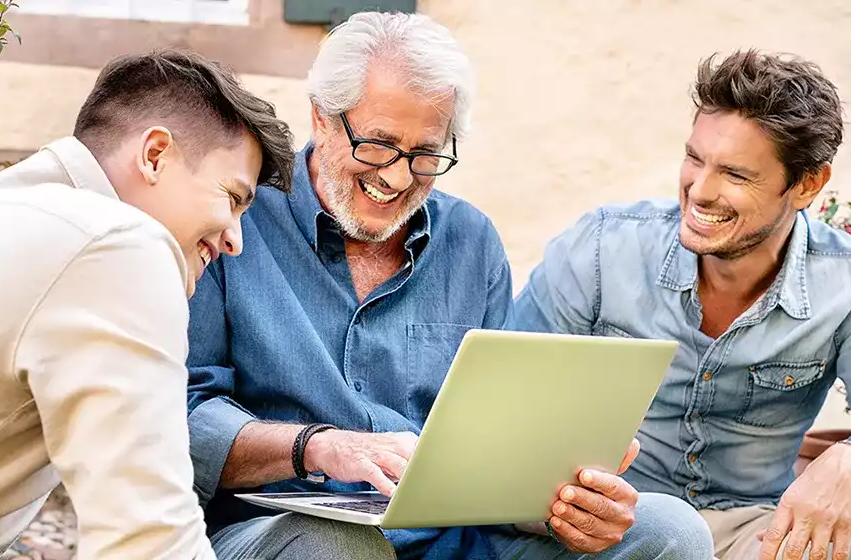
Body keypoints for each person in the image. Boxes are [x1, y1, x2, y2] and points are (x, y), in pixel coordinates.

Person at [185, 11, 713, 560]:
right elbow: (185, 415)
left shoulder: (471, 241)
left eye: (425, 154)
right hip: (287, 534)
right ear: (321, 117)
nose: (395, 176)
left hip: (454, 541)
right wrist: (316, 448)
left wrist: (564, 505)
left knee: (671, 529)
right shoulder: (238, 221)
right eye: (377, 144)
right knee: (341, 546)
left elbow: (498, 450)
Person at [0, 49, 294, 559]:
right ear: (155, 155)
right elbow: (146, 541)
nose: (236, 240)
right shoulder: (117, 244)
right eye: (233, 197)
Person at [509, 49, 851, 560]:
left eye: (736, 175)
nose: (700, 190)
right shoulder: (602, 250)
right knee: (670, 530)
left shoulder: (842, 284)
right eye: (695, 158)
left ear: (806, 185)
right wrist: (556, 509)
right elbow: (504, 414)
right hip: (603, 527)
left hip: (753, 532)